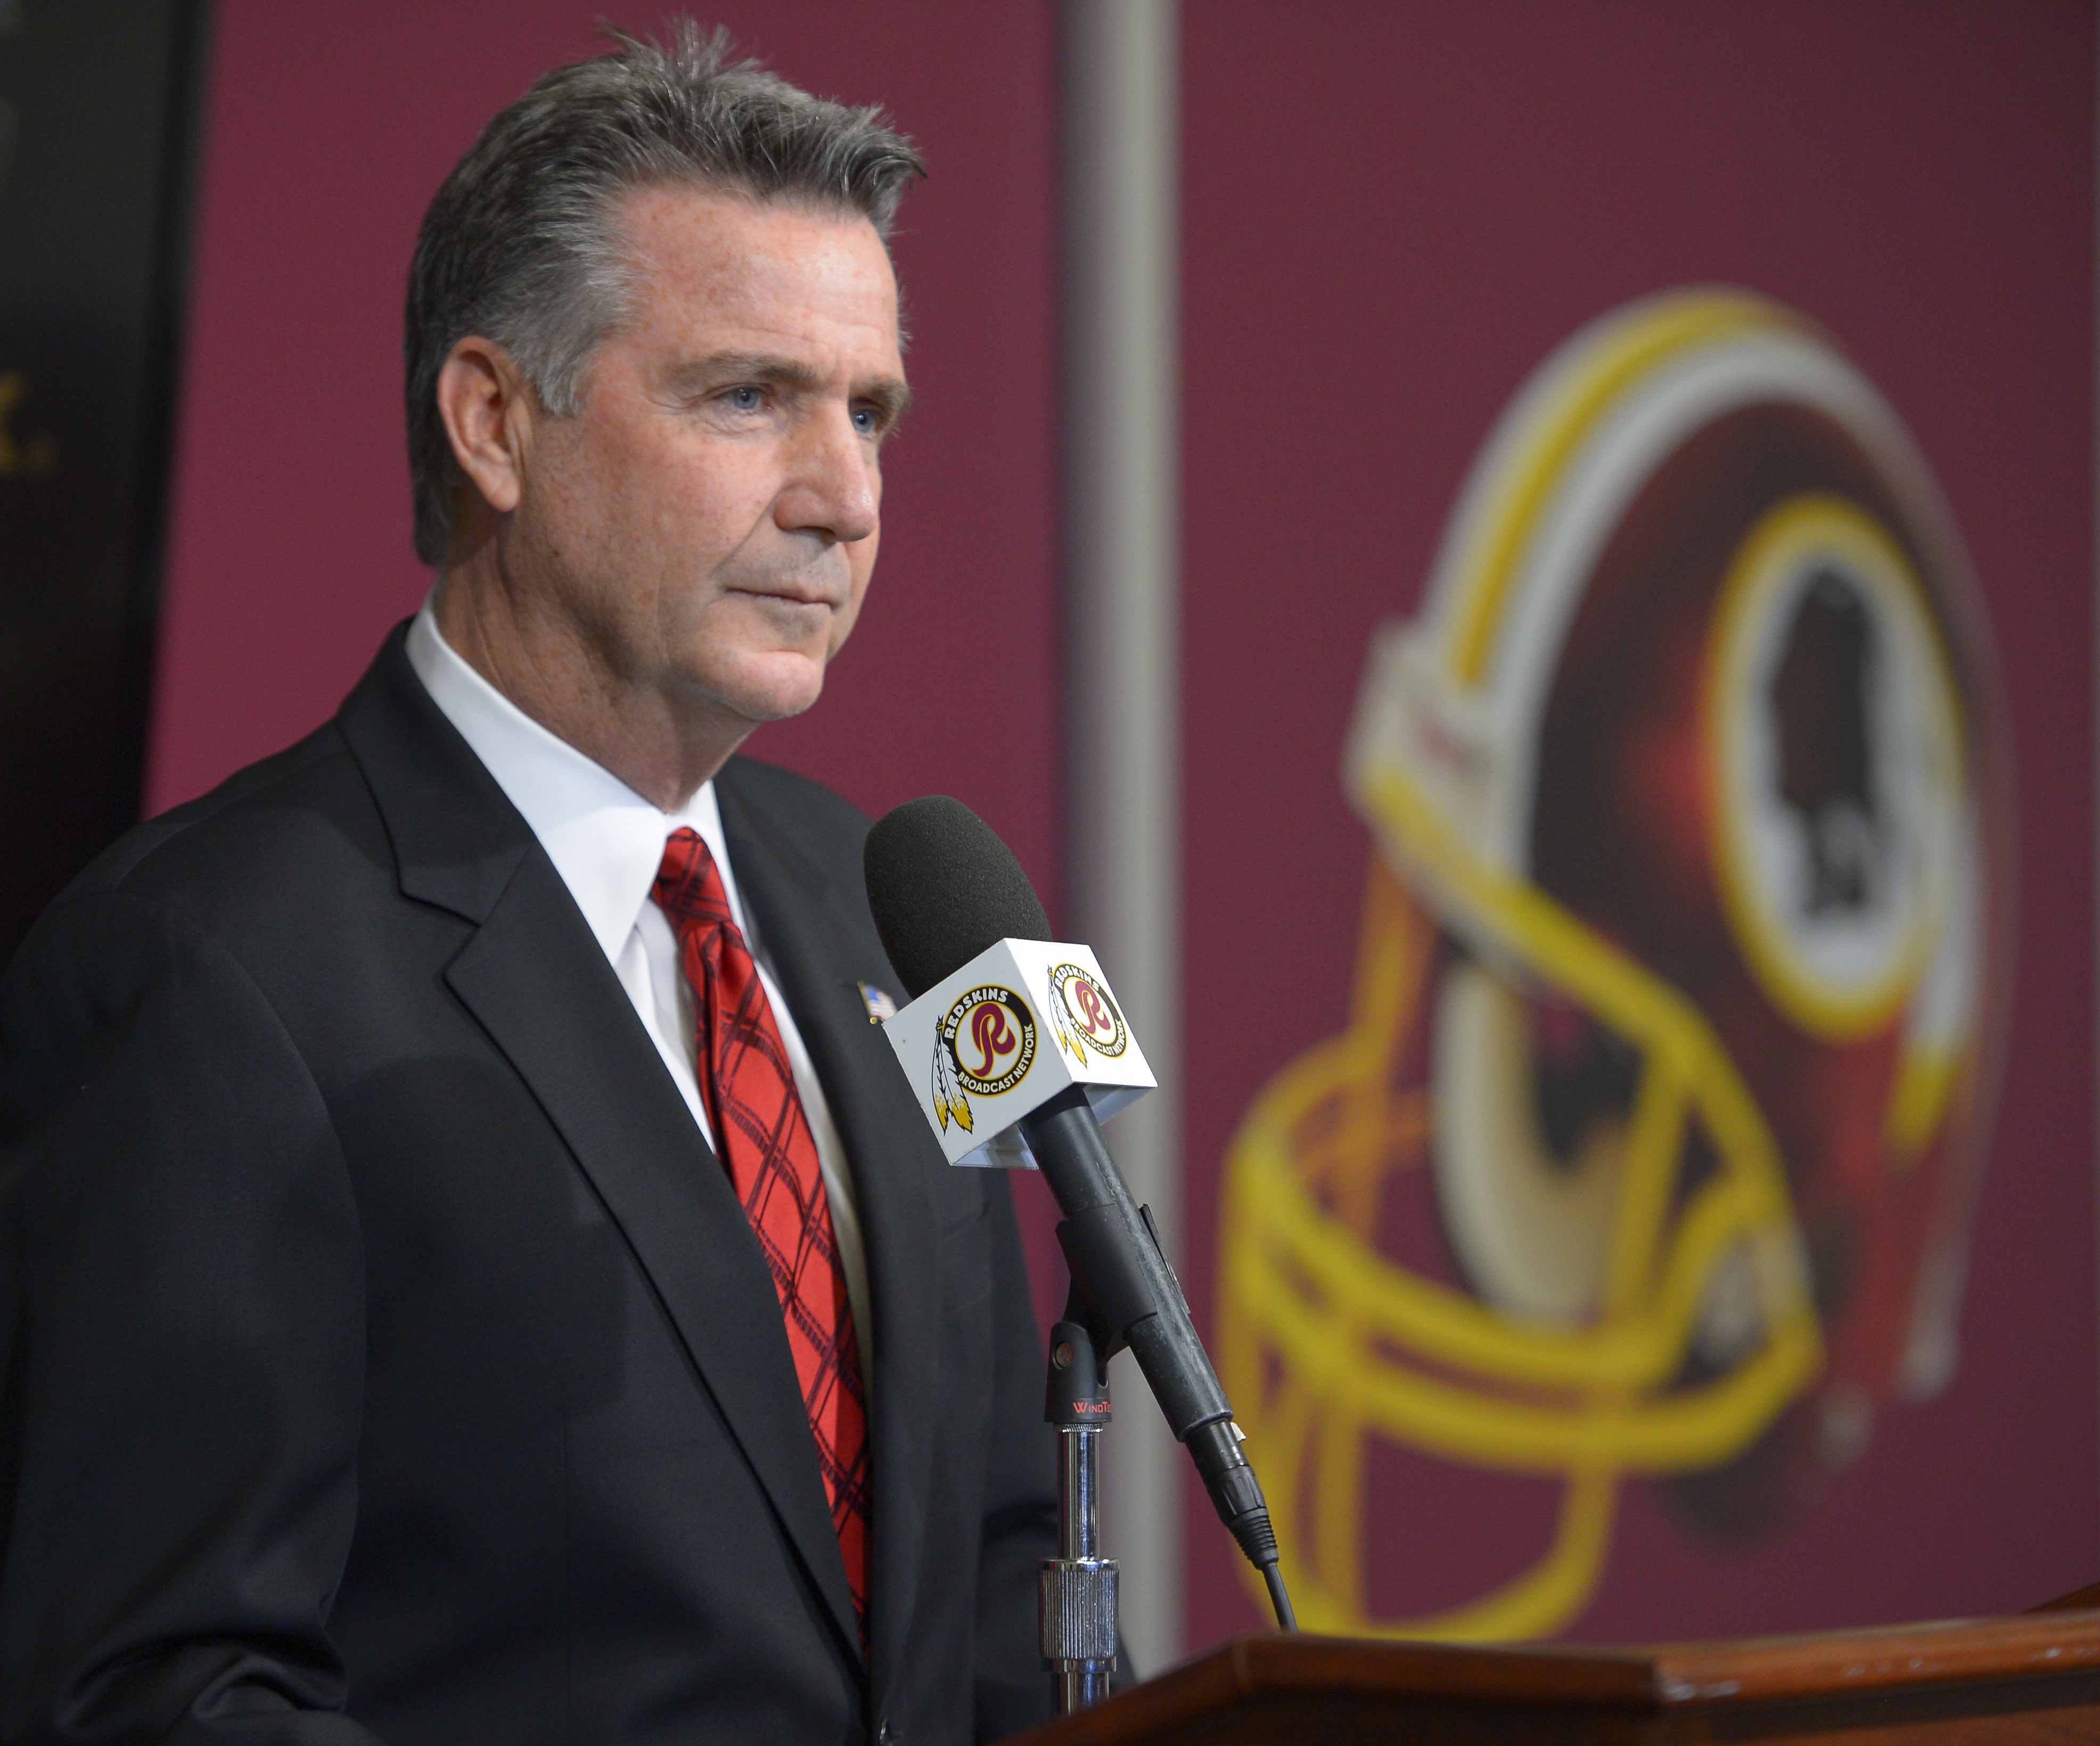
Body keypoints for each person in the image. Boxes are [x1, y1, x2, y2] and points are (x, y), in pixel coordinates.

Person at [0, 25, 1059, 1745]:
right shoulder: (202, 972)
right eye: (748, 396)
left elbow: (996, 1570)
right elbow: (161, 1689)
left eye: (870, 411)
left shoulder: (882, 904)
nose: (845, 496)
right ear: (495, 421)